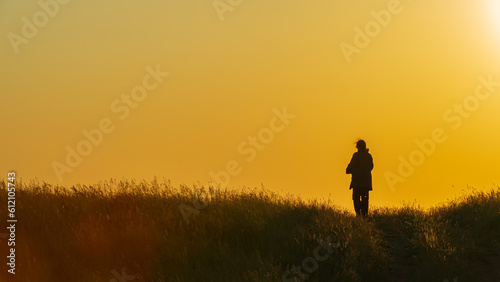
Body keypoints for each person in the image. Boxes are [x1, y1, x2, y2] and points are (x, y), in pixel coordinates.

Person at [346, 139, 373, 216]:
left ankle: (359, 214)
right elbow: (371, 167)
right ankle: (364, 215)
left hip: (357, 182)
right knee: (365, 199)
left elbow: (351, 166)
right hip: (366, 182)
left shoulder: (356, 155)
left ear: (357, 147)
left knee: (356, 198)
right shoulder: (369, 156)